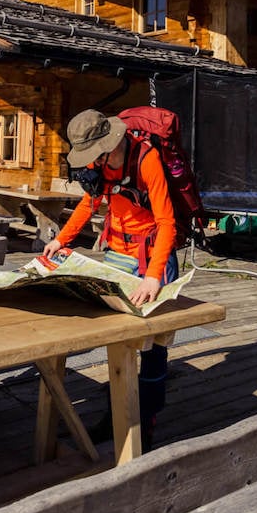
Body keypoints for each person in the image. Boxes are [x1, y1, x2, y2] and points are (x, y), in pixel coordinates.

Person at [43, 108, 178, 450]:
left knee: (153, 345)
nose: (92, 161)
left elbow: (166, 222)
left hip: (151, 257)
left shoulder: (146, 160)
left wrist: (152, 276)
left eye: (95, 153)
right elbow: (90, 203)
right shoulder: (98, 163)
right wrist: (62, 238)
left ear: (109, 141)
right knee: (117, 340)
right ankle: (115, 415)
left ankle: (145, 425)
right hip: (117, 253)